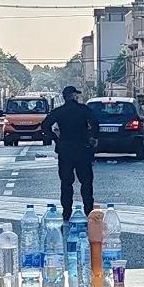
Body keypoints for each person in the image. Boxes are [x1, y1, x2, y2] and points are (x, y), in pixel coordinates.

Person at [45, 84, 98, 221]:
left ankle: (67, 211)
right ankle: (89, 210)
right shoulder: (83, 109)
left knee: (66, 183)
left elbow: (45, 125)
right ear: (74, 96)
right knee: (86, 182)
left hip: (65, 150)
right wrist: (93, 137)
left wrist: (56, 139)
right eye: (76, 95)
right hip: (82, 149)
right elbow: (96, 122)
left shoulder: (59, 111)